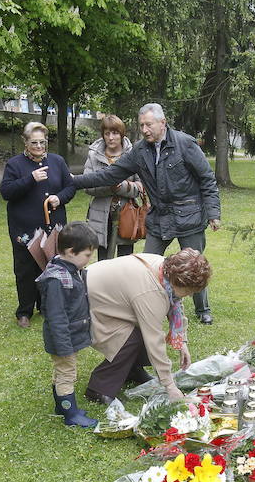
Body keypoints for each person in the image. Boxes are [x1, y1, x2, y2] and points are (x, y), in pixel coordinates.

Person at [72, 103, 221, 324]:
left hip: (189, 215)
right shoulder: (140, 151)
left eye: (148, 124)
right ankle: (147, 306)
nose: (144, 129)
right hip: (159, 218)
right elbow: (110, 175)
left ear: (163, 123)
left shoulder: (185, 144)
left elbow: (206, 178)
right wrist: (73, 181)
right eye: (141, 125)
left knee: (195, 264)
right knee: (147, 266)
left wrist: (213, 212)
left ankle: (203, 310)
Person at [83, 248, 212, 404]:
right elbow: (154, 340)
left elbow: (176, 304)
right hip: (87, 306)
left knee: (142, 330)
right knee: (130, 338)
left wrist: (182, 342)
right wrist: (170, 386)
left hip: (107, 297)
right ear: (178, 282)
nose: (190, 295)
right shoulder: (150, 291)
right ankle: (99, 388)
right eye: (189, 291)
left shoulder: (167, 271)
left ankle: (132, 370)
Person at [0, 121, 76, 328]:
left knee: (51, 267)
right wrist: (30, 179)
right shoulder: (15, 165)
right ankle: (24, 311)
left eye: (43, 142)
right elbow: (6, 192)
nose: (39, 147)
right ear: (25, 142)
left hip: (53, 228)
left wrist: (59, 198)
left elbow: (70, 187)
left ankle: (47, 306)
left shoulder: (57, 161)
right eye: (34, 143)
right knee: (25, 269)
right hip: (24, 228)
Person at [36, 221, 98, 427]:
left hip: (68, 337)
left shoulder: (70, 270)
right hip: (63, 340)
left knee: (61, 371)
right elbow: (56, 317)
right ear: (71, 252)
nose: (90, 259)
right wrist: (64, 346)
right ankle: (71, 415)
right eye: (87, 255)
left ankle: (62, 407)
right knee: (66, 374)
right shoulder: (57, 279)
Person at [83, 115, 141, 260]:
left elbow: (140, 188)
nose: (111, 137)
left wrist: (122, 187)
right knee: (103, 260)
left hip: (126, 213)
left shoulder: (134, 155)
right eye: (107, 133)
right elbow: (87, 185)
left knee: (125, 260)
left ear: (122, 134)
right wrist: (109, 186)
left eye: (115, 133)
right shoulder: (93, 155)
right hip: (100, 214)